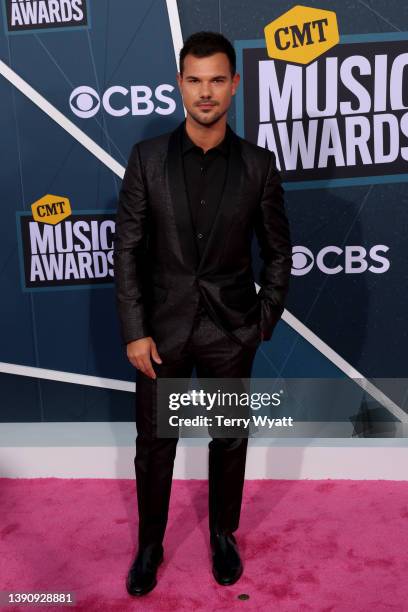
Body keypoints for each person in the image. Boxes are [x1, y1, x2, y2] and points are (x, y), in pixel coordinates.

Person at [113, 31, 292, 597]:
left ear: (235, 85)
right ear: (180, 85)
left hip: (230, 330)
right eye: (195, 80)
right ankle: (150, 543)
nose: (206, 91)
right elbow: (128, 252)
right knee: (154, 444)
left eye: (217, 79)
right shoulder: (147, 160)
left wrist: (261, 321)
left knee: (229, 440)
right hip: (161, 333)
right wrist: (135, 331)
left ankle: (222, 535)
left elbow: (280, 250)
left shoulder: (259, 166)